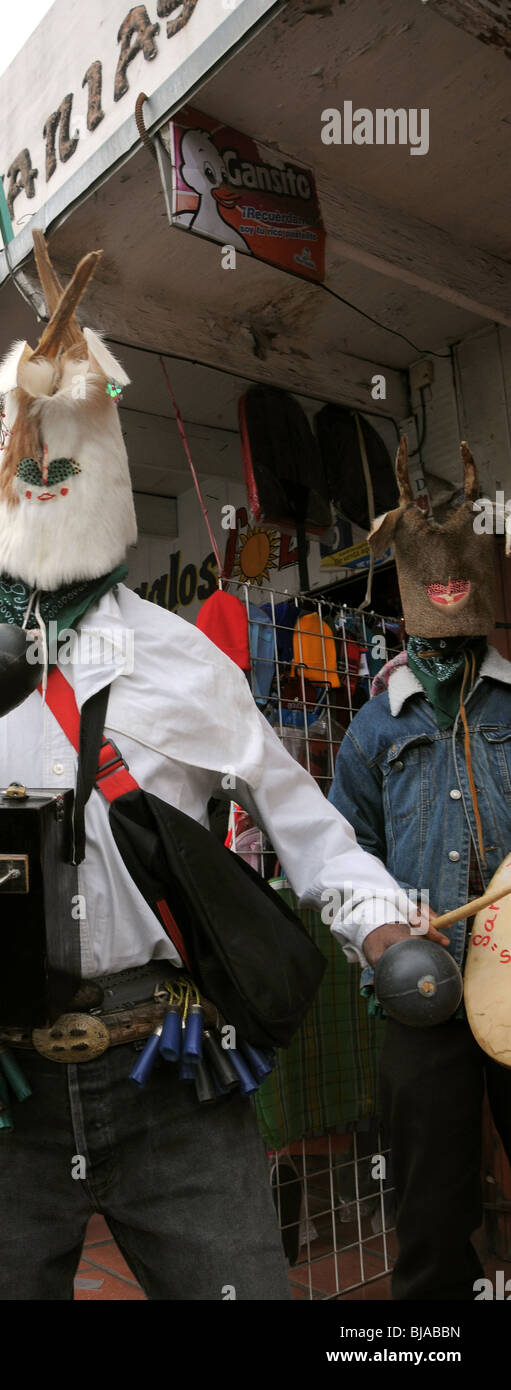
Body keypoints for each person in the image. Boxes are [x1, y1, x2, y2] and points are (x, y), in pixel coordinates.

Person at [0, 234, 426, 1301]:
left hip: (171, 1073)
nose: (44, 468)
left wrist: (380, 923)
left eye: (67, 451)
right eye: (26, 449)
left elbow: (301, 821)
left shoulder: (183, 656)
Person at [329, 437, 511, 1301]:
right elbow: (339, 854)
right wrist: (381, 942)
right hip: (423, 982)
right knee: (429, 1204)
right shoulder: (374, 728)